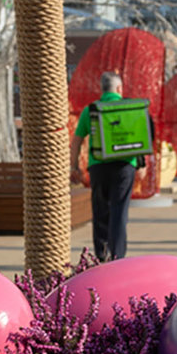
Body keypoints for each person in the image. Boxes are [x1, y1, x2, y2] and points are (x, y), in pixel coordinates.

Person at [71, 71, 149, 262]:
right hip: (125, 166)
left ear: (102, 89)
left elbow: (77, 140)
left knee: (100, 211)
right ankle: (118, 256)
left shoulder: (91, 110)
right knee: (119, 211)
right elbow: (138, 138)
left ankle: (101, 254)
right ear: (119, 89)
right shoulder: (128, 108)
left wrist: (74, 166)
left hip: (98, 167)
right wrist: (142, 163)